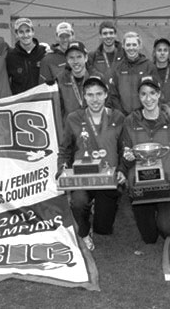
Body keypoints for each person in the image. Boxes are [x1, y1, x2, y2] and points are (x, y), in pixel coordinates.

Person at [119, 75, 170, 247]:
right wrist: (125, 163)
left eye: (152, 93)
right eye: (143, 94)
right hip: (140, 185)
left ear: (159, 94)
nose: (148, 98)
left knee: (168, 230)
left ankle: (164, 212)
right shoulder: (130, 121)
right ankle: (151, 213)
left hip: (165, 184)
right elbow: (126, 152)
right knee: (149, 238)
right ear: (139, 96)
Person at [58, 76, 127, 250]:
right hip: (83, 176)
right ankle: (83, 231)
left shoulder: (118, 117)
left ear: (106, 94)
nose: (94, 99)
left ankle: (97, 209)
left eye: (98, 94)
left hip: (108, 179)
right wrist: (62, 168)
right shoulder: (73, 118)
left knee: (103, 228)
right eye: (90, 95)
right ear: (84, 96)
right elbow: (65, 149)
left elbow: (123, 149)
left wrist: (122, 170)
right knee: (79, 202)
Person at [108, 32, 157, 116]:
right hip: (123, 118)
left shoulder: (149, 66)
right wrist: (121, 114)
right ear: (123, 46)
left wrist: (144, 113)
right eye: (128, 45)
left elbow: (155, 92)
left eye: (134, 45)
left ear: (140, 46)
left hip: (144, 116)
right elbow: (114, 94)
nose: (131, 48)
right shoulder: (117, 68)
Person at [6, 18, 47, 94]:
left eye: (28, 31)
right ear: (16, 34)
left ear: (33, 32)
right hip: (21, 103)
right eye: (21, 32)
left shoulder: (44, 52)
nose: (25, 35)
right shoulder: (10, 56)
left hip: (41, 101)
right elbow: (5, 82)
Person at [56, 41, 92, 121]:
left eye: (79, 57)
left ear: (86, 58)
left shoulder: (96, 78)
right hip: (70, 128)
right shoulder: (60, 80)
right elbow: (58, 109)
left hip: (93, 128)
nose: (75, 61)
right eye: (71, 58)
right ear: (67, 60)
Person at [152, 38, 170, 104]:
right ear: (154, 53)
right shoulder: (149, 70)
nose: (162, 53)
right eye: (159, 50)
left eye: (165, 50)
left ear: (169, 53)